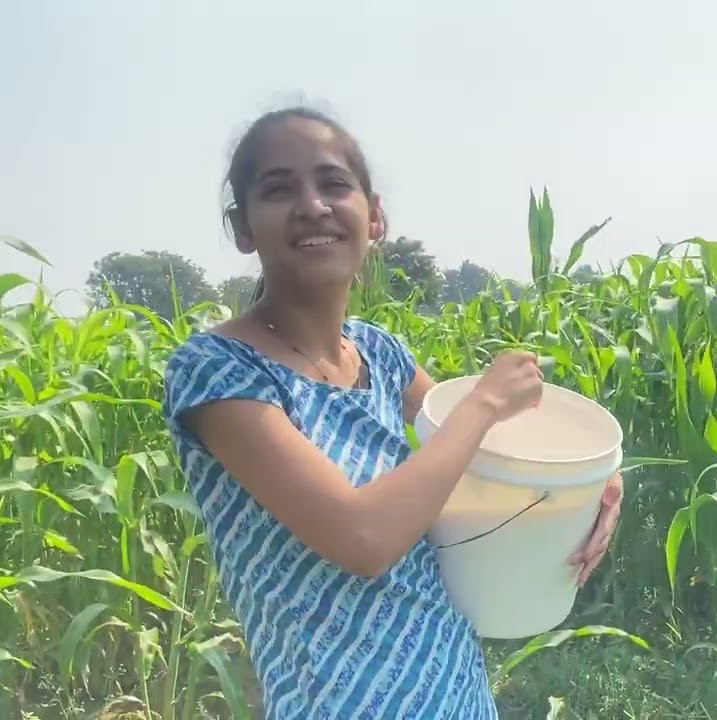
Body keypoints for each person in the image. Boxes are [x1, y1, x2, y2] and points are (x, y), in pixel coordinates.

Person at [160, 106, 624, 719]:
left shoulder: (380, 353)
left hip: (455, 688)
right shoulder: (218, 370)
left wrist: (596, 486)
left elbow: (498, 460)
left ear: (373, 215)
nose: (312, 205)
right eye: (278, 189)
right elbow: (362, 538)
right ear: (244, 227)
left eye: (333, 183)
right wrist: (484, 401)